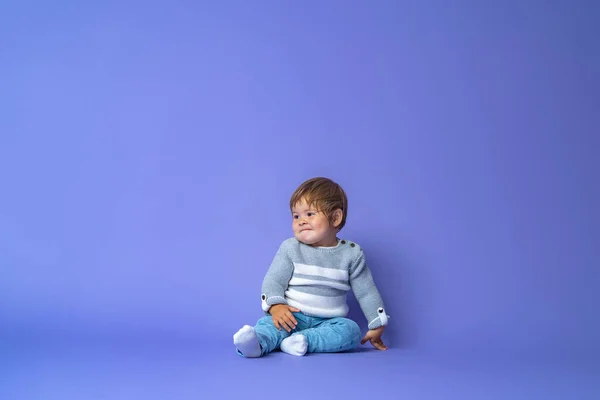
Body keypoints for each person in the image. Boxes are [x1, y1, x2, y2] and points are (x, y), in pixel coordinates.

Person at [233, 177, 390, 357]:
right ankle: (256, 344)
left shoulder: (351, 254)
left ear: (335, 218)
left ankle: (302, 341)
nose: (301, 221)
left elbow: (366, 292)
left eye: (309, 214)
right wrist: (276, 306)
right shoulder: (290, 248)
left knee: (351, 331)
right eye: (296, 216)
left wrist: (378, 323)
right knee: (270, 325)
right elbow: (274, 280)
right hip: (291, 316)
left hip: (329, 322)